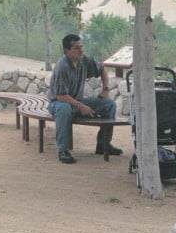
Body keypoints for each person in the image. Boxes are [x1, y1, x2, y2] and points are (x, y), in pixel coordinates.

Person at [47, 34, 123, 164]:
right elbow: (61, 96)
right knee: (64, 109)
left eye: (81, 47)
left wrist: (105, 90)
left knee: (110, 104)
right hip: (59, 103)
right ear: (67, 51)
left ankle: (103, 145)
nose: (81, 50)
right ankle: (63, 151)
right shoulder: (62, 67)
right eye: (76, 48)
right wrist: (81, 106)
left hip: (77, 100)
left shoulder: (84, 60)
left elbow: (102, 69)